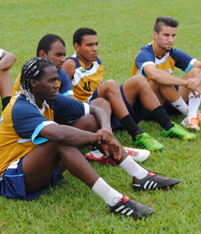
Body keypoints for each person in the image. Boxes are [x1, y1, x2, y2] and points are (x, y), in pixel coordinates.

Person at [0, 58, 180, 220]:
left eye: (57, 79)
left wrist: (106, 130)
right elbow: (60, 135)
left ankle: (140, 176)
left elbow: (97, 107)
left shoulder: (47, 97)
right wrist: (99, 137)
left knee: (90, 120)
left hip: (41, 169)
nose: (57, 85)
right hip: (11, 179)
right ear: (33, 83)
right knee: (60, 141)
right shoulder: (21, 107)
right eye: (51, 81)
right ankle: (114, 200)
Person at [16, 33, 150, 165]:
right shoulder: (29, 79)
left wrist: (104, 127)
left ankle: (104, 146)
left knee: (99, 106)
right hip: (44, 135)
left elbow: (72, 104)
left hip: (59, 127)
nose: (63, 59)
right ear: (43, 55)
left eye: (96, 44)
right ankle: (107, 146)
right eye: (58, 55)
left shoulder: (62, 72)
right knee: (104, 94)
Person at [62, 27, 194, 149]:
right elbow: (62, 97)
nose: (95, 48)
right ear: (77, 47)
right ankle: (136, 133)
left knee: (139, 80)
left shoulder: (97, 61)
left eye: (96, 44)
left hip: (104, 110)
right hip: (85, 111)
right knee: (110, 84)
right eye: (89, 45)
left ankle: (168, 125)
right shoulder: (70, 64)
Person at [131, 17, 201, 132]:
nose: (170, 40)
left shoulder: (173, 52)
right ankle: (192, 114)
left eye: (173, 35)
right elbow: (155, 75)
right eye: (166, 35)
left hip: (168, 102)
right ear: (155, 34)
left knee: (196, 71)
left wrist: (197, 79)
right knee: (160, 78)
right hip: (147, 107)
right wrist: (185, 83)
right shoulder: (144, 53)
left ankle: (192, 117)